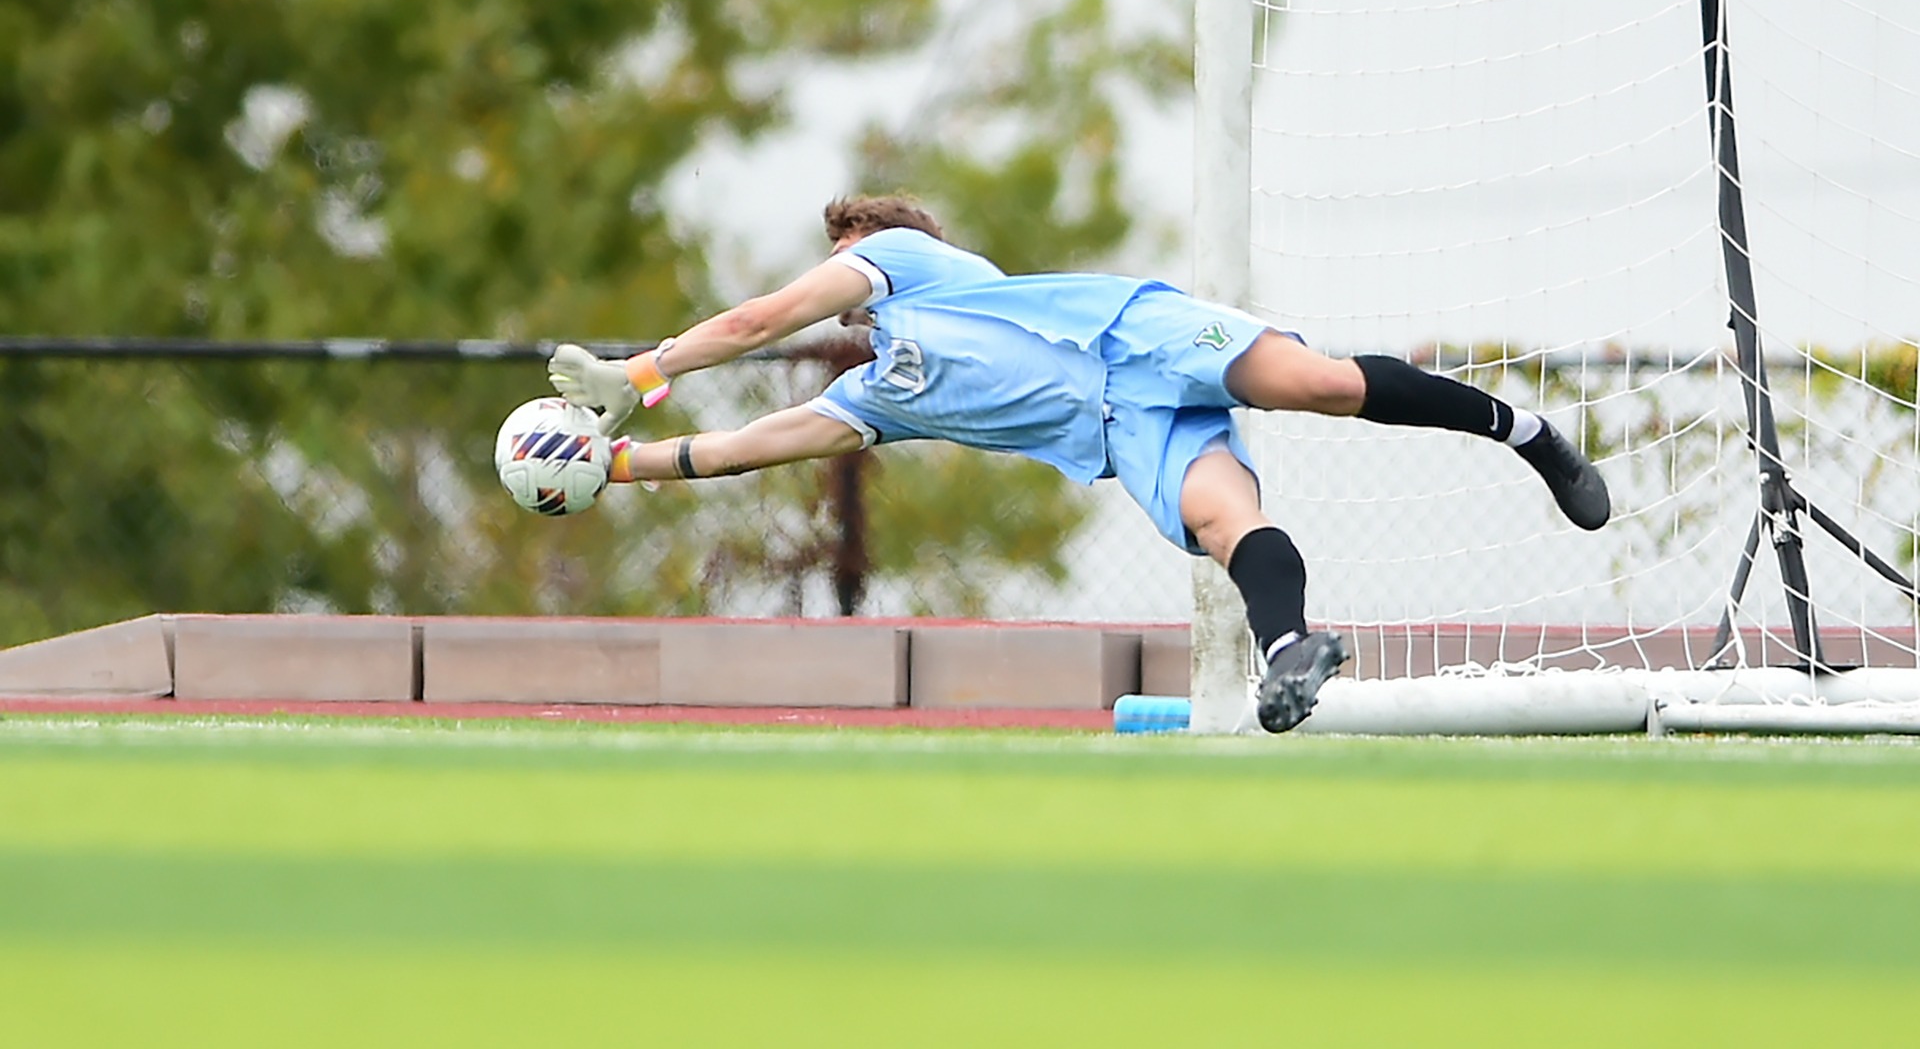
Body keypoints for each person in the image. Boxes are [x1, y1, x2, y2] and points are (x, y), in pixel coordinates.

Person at [547, 195, 1610, 733]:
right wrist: (616, 465)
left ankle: (1528, 434)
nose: (836, 269)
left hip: (1133, 335)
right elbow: (742, 448)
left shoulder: (907, 264)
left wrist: (642, 369)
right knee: (1222, 520)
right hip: (1125, 434)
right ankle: (1292, 646)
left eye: (846, 251)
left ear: (878, 246)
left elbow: (761, 317)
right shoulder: (869, 398)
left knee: (1318, 384)